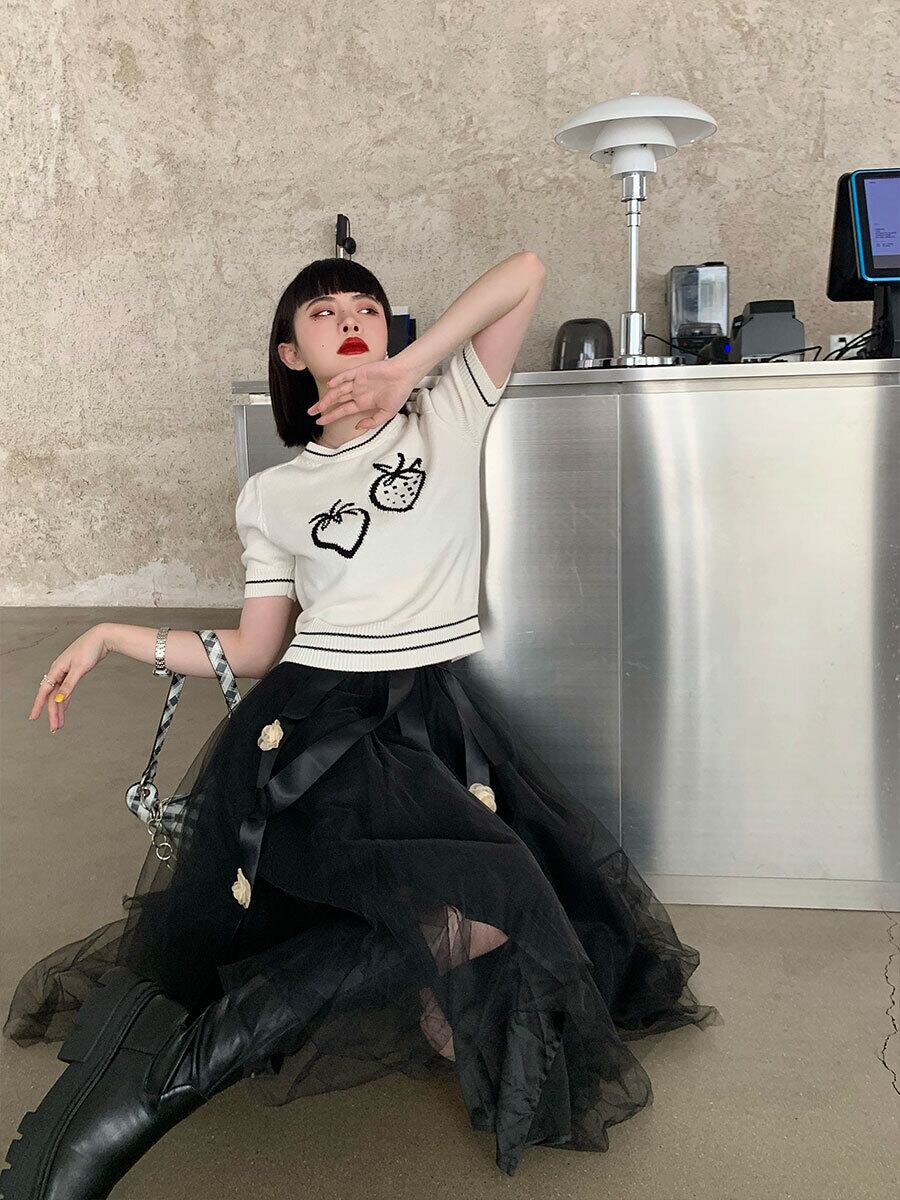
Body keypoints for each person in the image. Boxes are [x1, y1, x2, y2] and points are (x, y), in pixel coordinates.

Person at [2, 250, 722, 1196]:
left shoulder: (448, 411)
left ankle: (162, 1066)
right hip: (315, 722)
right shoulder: (273, 495)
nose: (348, 319)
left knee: (493, 904)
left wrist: (408, 368)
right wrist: (109, 635)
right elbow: (257, 648)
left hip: (430, 714)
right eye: (321, 312)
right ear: (289, 354)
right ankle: (152, 1090)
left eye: (366, 308)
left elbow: (525, 273)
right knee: (479, 904)